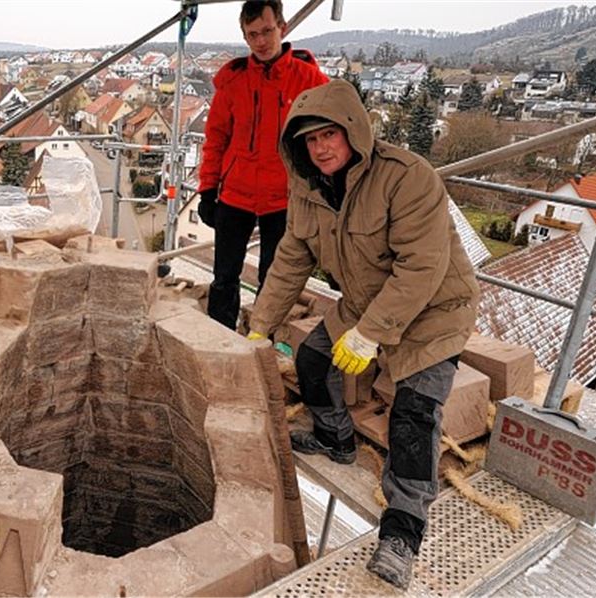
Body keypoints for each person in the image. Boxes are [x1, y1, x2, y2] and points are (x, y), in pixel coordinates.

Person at [247, 79, 480, 589]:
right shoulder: (308, 189)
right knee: (311, 359)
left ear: (354, 130)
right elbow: (291, 258)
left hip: (436, 312)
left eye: (330, 133)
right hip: (364, 303)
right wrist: (260, 325)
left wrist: (371, 334)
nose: (321, 147)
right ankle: (336, 438)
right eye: (310, 140)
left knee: (414, 413)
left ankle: (402, 532)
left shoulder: (407, 177)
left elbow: (422, 266)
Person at [197, 0, 329, 330]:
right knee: (224, 275)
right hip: (236, 193)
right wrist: (207, 190)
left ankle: (260, 341)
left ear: (282, 28)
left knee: (275, 278)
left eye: (267, 31)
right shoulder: (233, 82)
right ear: (245, 37)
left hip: (283, 198)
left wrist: (324, 188)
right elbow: (215, 140)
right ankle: (220, 339)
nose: (261, 41)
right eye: (252, 34)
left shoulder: (311, 80)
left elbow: (330, 137)